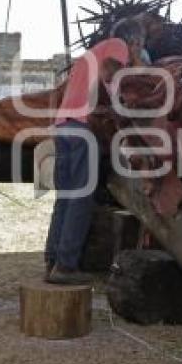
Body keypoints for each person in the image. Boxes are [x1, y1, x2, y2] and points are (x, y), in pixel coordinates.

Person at [45, 18, 149, 284]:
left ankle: (52, 259)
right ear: (134, 40)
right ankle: (66, 267)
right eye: (139, 43)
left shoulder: (87, 55)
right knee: (81, 199)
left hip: (63, 127)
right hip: (82, 128)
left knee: (66, 197)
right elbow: (111, 74)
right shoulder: (117, 46)